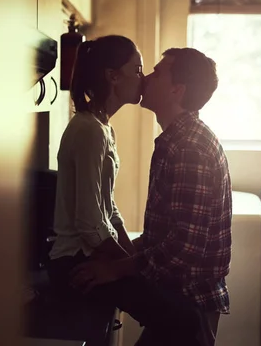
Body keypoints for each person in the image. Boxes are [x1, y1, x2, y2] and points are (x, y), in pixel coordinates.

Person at [70, 48, 232, 346]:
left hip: (189, 305)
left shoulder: (188, 148)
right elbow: (164, 236)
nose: (146, 77)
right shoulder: (178, 139)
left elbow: (182, 248)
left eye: (157, 72)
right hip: (178, 300)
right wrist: (125, 254)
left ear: (176, 89)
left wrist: (115, 268)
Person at [47, 35, 144, 344]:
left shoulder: (103, 127)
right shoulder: (88, 130)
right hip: (76, 262)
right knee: (176, 316)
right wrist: (129, 268)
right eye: (137, 69)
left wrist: (129, 258)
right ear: (113, 76)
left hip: (93, 255)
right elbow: (89, 223)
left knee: (173, 312)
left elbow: (108, 207)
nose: (142, 78)